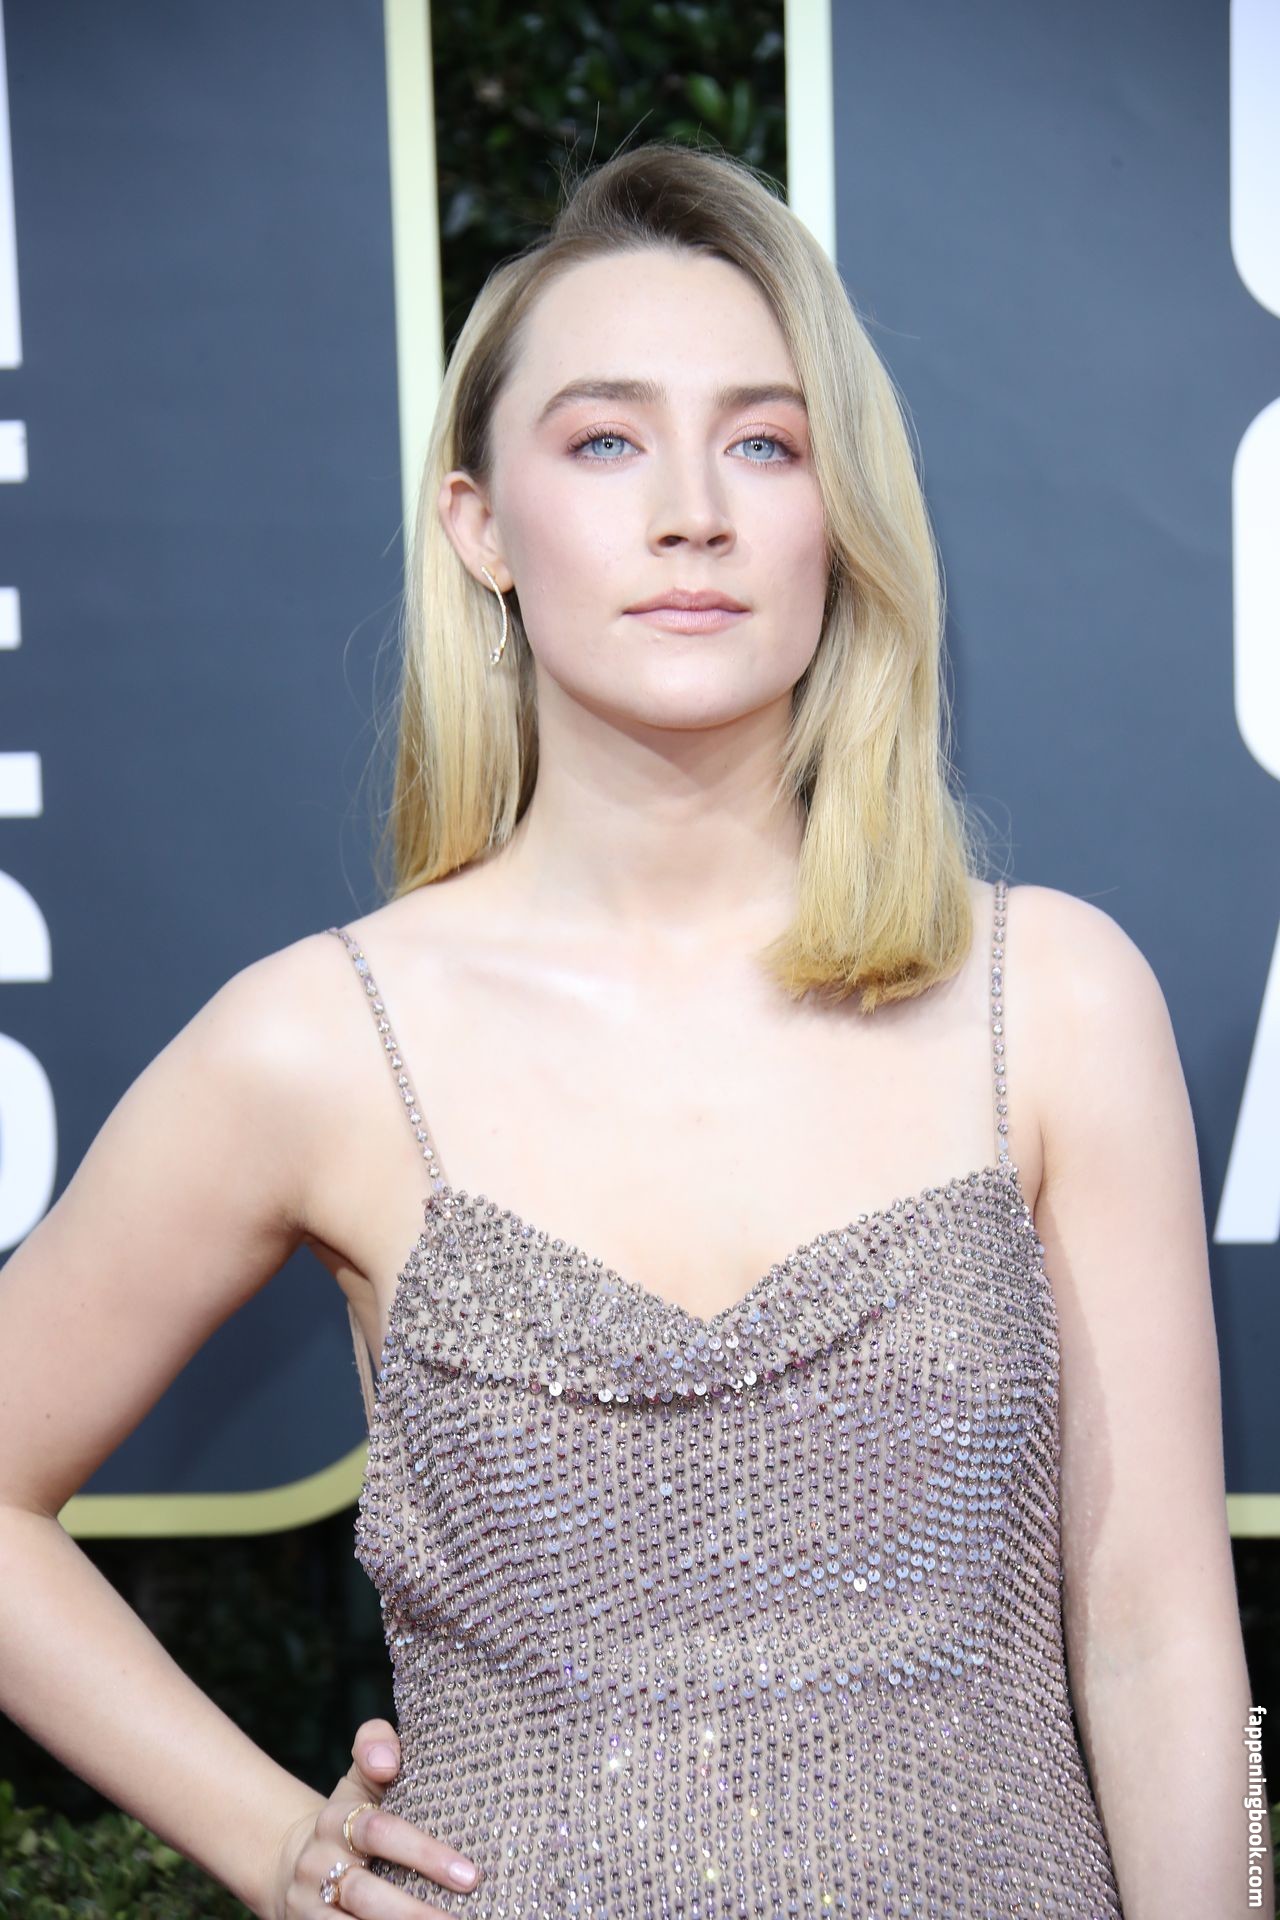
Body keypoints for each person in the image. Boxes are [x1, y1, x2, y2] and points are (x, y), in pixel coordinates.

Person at [0, 137, 1267, 1920]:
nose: (694, 512)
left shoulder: (1049, 998)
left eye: (766, 444)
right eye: (605, 442)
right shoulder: (320, 1047)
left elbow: (1156, 1638)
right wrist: (272, 1839)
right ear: (480, 527)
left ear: (840, 514)